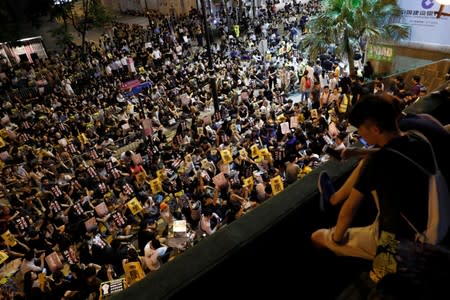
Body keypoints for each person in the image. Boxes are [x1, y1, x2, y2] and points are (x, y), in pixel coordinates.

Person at [311, 94, 445, 284]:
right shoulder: (418, 139)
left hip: (402, 241)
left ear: (375, 129)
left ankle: (369, 274)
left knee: (317, 237)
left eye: (361, 131)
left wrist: (335, 238)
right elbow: (391, 151)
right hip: (434, 220)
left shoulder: (378, 163)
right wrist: (358, 152)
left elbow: (348, 211)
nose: (361, 136)